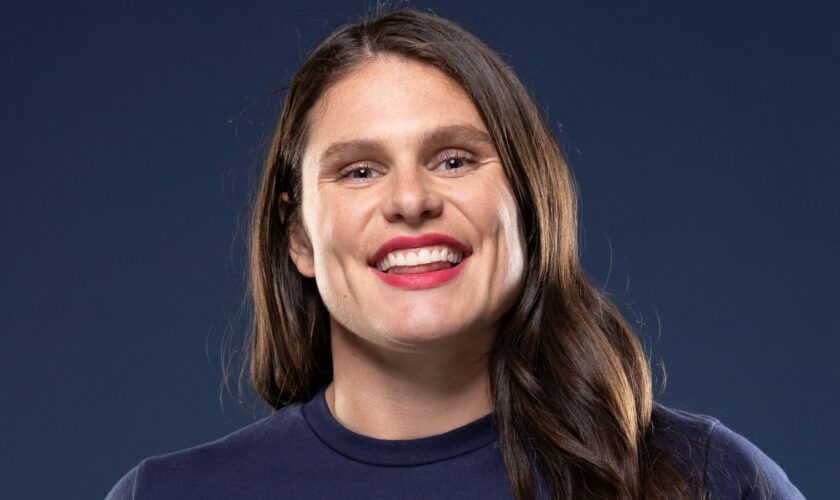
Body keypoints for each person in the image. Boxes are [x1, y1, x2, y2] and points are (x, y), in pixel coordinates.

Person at [106, 9, 804, 500]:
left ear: (528, 206)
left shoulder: (700, 477)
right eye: (359, 170)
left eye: (453, 160)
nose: (410, 200)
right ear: (298, 239)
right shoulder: (170, 494)